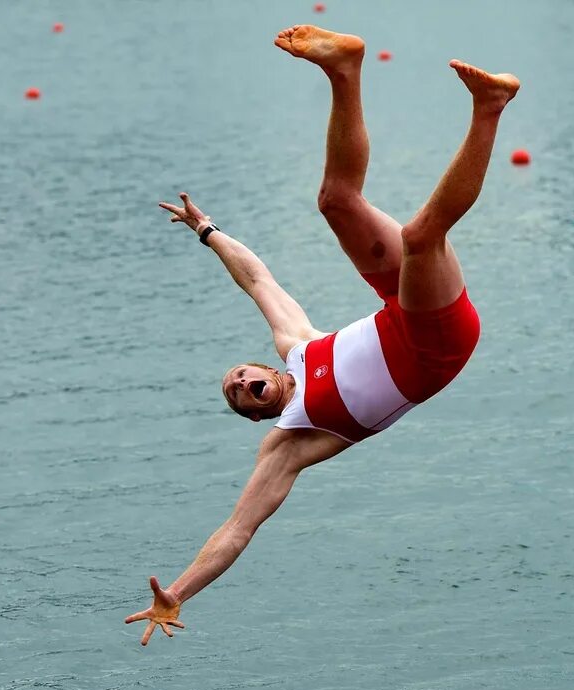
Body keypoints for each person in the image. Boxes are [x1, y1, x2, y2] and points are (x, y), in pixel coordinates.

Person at [125, 24, 520, 645]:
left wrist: (207, 232)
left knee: (336, 200)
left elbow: (257, 280)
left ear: (266, 368)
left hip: (401, 308)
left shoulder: (298, 347)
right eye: (239, 396)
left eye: (240, 376)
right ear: (258, 414)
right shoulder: (294, 439)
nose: (242, 384)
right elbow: (237, 530)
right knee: (421, 237)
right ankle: (489, 108)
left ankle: (344, 67)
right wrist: (176, 593)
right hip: (436, 345)